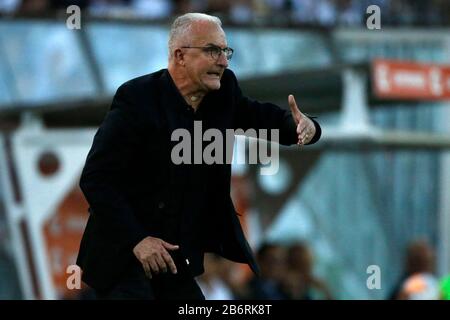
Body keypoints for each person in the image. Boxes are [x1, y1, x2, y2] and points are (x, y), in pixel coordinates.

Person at [76, 12, 321, 300]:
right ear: (180, 55)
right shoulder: (137, 99)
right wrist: (138, 239)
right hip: (125, 261)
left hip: (176, 263)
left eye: (225, 51)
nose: (223, 61)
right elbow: (96, 178)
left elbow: (263, 118)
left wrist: (306, 127)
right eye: (212, 50)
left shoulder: (223, 93)